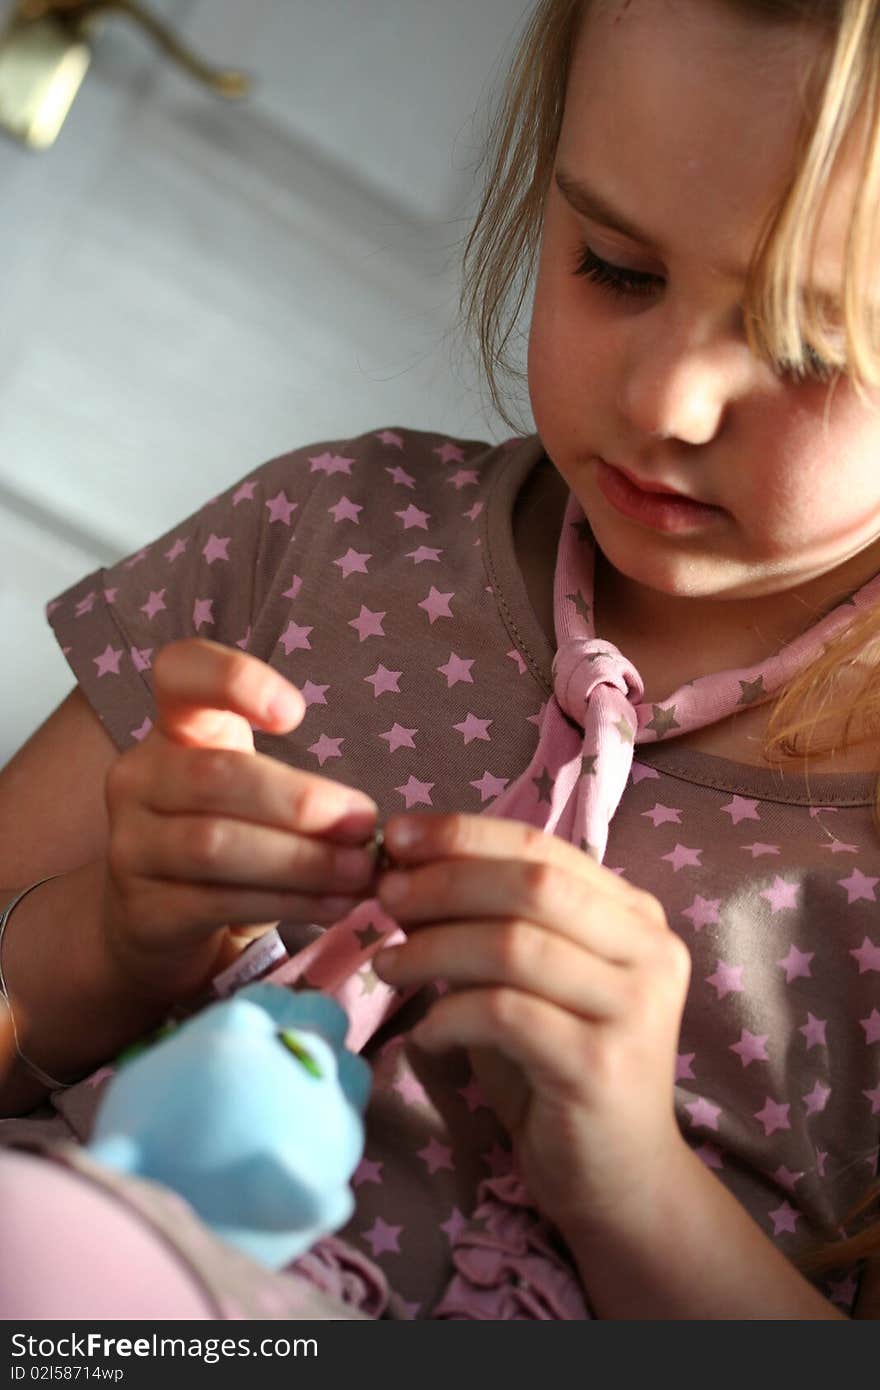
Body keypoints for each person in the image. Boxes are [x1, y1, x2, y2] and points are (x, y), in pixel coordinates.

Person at [0, 0, 879, 1320]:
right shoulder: (328, 529)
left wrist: (630, 1179)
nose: (665, 402)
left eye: (808, 346)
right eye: (617, 268)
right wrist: (106, 948)